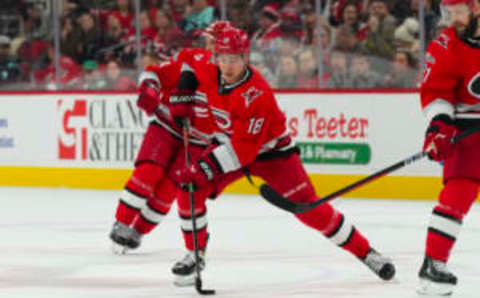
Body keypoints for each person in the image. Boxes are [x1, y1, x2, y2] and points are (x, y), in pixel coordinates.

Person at [168, 27, 396, 285]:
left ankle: (368, 254)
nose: (227, 65)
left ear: (246, 58)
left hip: (273, 156)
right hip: (230, 146)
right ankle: (195, 253)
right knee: (188, 189)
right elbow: (187, 59)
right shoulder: (209, 66)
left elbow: (244, 151)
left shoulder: (256, 94)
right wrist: (184, 92)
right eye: (223, 58)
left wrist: (204, 168)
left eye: (234, 59)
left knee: (313, 211)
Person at [108, 21, 233, 254]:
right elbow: (154, 72)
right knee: (149, 172)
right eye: (210, 41)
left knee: (169, 189)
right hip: (166, 126)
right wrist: (150, 88)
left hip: (199, 141)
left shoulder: (237, 79)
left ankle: (139, 231)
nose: (211, 46)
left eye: (216, 42)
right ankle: (122, 222)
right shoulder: (192, 60)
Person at [418, 0, 480, 295]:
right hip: (468, 129)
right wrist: (439, 126)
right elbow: (436, 91)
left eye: (457, 12)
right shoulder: (446, 44)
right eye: (448, 12)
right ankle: (433, 266)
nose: (451, 19)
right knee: (459, 191)